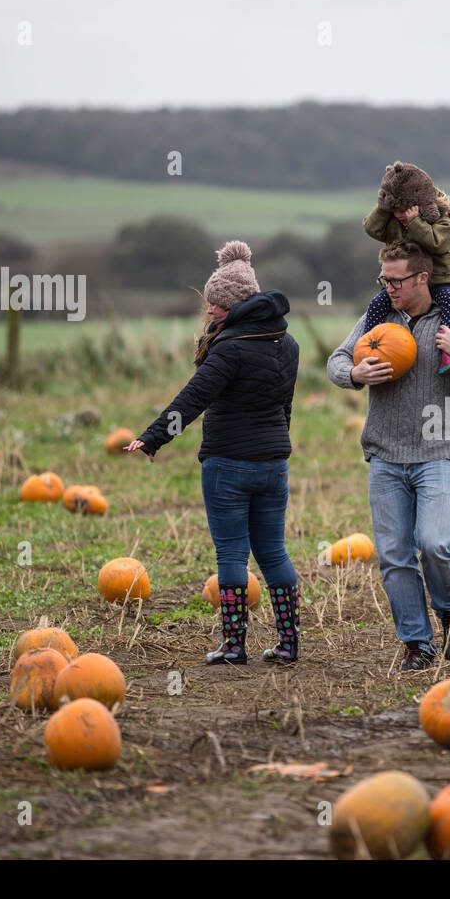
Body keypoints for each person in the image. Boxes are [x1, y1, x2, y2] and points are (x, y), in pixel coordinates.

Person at [327, 240, 450, 671]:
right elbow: (336, 359)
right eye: (383, 279)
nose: (389, 288)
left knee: (434, 542)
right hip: (385, 454)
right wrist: (354, 373)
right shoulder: (378, 320)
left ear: (423, 277)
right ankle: (417, 644)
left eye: (397, 280)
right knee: (394, 555)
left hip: (440, 450)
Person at [125, 241, 301, 666]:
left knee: (231, 555)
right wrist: (274, 444)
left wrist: (152, 438)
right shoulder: (287, 343)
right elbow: (285, 406)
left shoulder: (230, 347)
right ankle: (289, 643)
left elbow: (192, 398)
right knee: (274, 552)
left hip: (228, 465)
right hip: (274, 464)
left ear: (235, 305)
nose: (209, 312)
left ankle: (234, 646)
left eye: (215, 305)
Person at [361, 160, 450, 376]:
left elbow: (439, 243)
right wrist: (383, 210)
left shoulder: (441, 221)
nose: (400, 214)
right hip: (401, 282)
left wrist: (415, 224)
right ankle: (367, 351)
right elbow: (372, 228)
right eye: (395, 210)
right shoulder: (392, 222)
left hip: (438, 280)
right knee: (376, 304)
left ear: (420, 203)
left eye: (404, 209)